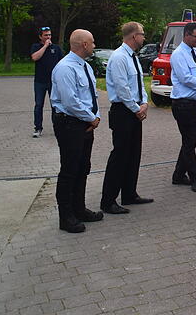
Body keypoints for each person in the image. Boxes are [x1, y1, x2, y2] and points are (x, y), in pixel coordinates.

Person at [50, 29, 103, 233]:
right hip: (69, 124)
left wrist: (95, 117)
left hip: (85, 123)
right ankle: (66, 217)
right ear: (83, 45)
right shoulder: (65, 68)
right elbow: (70, 101)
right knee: (69, 170)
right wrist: (92, 118)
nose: (94, 45)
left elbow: (92, 96)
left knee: (83, 167)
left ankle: (79, 209)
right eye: (92, 42)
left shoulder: (85, 67)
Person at [100, 22, 153, 215]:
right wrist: (136, 109)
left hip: (134, 110)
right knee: (120, 156)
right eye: (142, 34)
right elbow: (122, 88)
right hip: (123, 112)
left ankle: (129, 193)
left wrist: (145, 103)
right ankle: (108, 200)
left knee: (133, 155)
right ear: (133, 36)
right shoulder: (119, 57)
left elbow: (139, 84)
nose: (144, 37)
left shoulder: (133, 57)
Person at [170, 22, 196, 193]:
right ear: (186, 35)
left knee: (190, 142)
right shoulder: (178, 54)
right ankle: (195, 178)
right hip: (183, 105)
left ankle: (178, 175)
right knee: (189, 142)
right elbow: (185, 78)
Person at [30, 26, 62, 137]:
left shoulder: (56, 48)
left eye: (49, 35)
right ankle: (37, 128)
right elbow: (35, 57)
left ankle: (57, 128)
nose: (48, 37)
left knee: (55, 105)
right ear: (40, 37)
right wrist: (44, 46)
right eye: (46, 35)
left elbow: (62, 64)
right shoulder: (36, 47)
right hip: (40, 82)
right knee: (39, 105)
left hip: (53, 82)